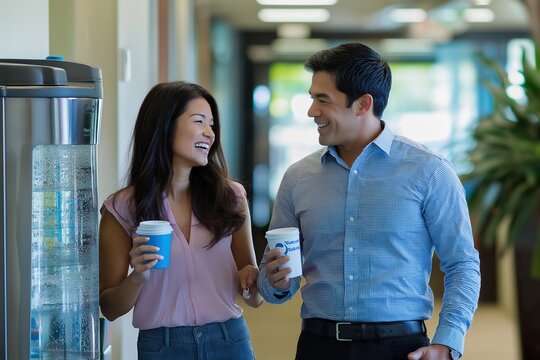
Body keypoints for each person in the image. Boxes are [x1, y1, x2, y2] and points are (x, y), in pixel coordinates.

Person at [257, 42, 481, 360]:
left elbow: (462, 264)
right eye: (311, 99)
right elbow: (276, 284)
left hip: (400, 347)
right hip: (318, 347)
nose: (311, 112)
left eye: (323, 100)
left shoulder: (429, 171)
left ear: (363, 104)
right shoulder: (297, 177)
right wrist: (276, 280)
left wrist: (447, 342)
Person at [99, 81, 263, 360]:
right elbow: (110, 308)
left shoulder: (231, 197)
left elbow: (254, 297)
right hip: (162, 348)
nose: (210, 133)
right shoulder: (122, 208)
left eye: (212, 124)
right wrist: (138, 275)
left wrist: (258, 281)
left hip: (229, 341)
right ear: (164, 125)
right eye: (199, 121)